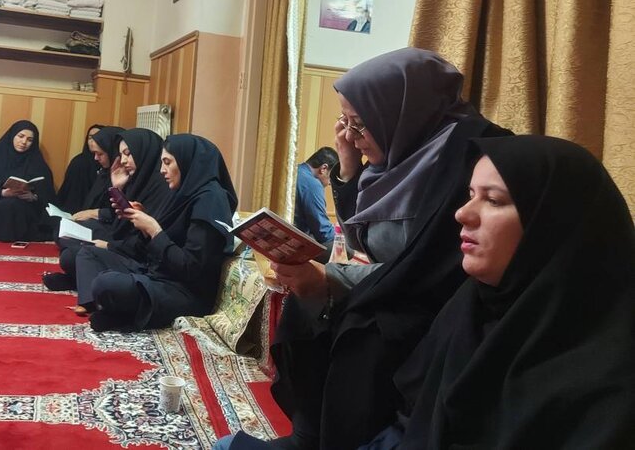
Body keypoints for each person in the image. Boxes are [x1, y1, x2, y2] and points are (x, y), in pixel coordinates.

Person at [218, 47, 510, 450]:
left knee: (363, 329)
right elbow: (361, 242)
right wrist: (350, 167)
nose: (350, 136)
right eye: (345, 123)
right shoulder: (401, 151)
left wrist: (331, 278)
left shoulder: (462, 155)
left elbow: (427, 266)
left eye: (359, 124)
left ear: (401, 110)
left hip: (441, 299)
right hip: (401, 286)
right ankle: (309, 435)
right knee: (306, 307)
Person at [359, 136, 635, 448]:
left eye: (493, 200)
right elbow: (408, 426)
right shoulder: (470, 308)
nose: (462, 213)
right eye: (470, 195)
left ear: (551, 223)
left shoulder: (611, 376)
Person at [74, 134, 237, 332]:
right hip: (156, 272)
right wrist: (143, 224)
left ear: (187, 161)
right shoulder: (183, 193)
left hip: (183, 291)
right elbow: (153, 248)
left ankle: (114, 309)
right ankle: (109, 308)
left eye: (167, 162)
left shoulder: (210, 201)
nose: (162, 170)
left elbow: (190, 267)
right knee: (88, 253)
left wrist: (154, 229)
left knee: (106, 283)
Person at [44, 127, 171, 292]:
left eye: (128, 154)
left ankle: (84, 285)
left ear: (144, 153)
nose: (123, 160)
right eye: (121, 155)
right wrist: (118, 188)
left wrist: (109, 246)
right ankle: (83, 281)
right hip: (123, 245)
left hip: (137, 259)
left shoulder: (161, 187)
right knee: (69, 254)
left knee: (75, 256)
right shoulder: (137, 178)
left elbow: (141, 242)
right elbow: (121, 223)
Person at [56, 124, 105, 212]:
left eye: (97, 137)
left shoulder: (107, 163)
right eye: (90, 137)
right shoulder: (79, 162)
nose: (93, 141)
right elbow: (70, 195)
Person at [294, 147, 338, 245]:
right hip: (295, 242)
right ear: (323, 169)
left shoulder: (296, 171)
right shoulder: (312, 184)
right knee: (347, 247)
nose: (330, 183)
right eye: (331, 177)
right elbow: (324, 233)